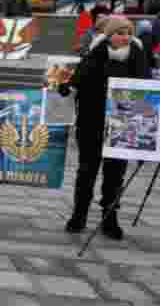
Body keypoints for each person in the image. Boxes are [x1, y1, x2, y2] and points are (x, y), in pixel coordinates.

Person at [60, 16, 150, 239]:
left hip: (122, 126)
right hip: (91, 123)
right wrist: (64, 87)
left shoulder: (138, 57)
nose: (125, 37)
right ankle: (79, 215)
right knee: (86, 171)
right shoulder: (94, 55)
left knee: (115, 175)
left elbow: (147, 91)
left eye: (128, 32)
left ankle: (110, 218)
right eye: (120, 33)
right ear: (109, 35)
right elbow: (76, 82)